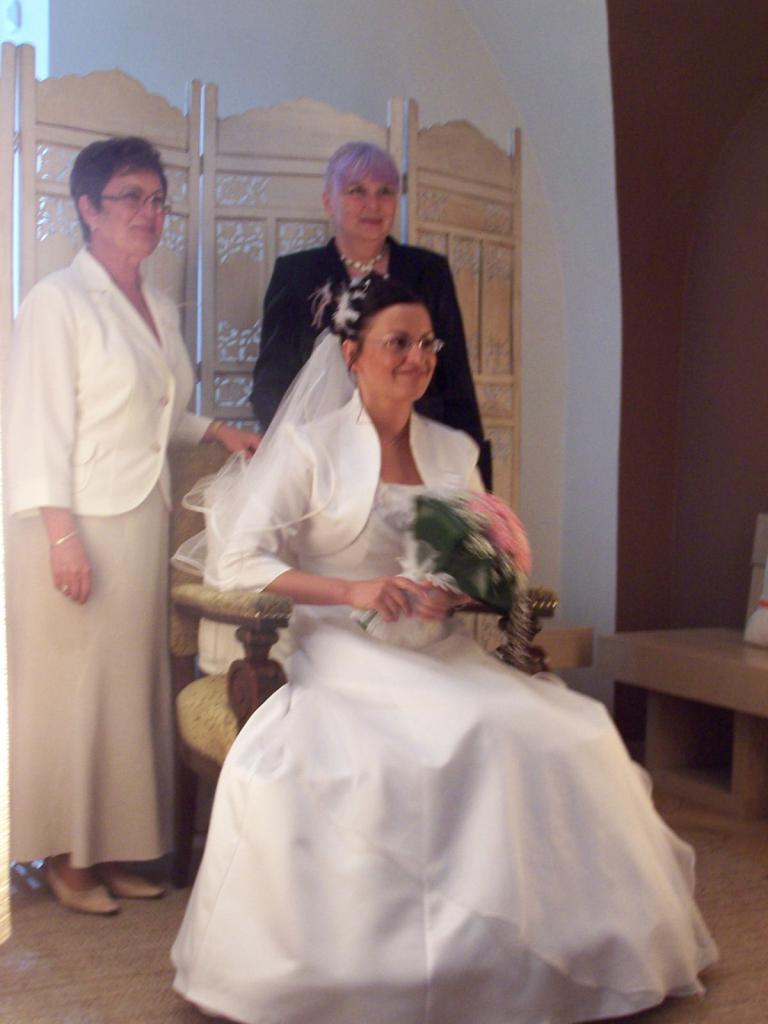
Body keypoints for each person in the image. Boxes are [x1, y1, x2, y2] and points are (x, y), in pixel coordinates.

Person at [171, 275, 716, 1024]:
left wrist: (456, 593)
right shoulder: (306, 449)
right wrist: (352, 591)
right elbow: (238, 561)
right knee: (449, 736)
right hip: (344, 648)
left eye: (427, 343)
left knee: (571, 732)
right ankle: (400, 970)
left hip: (440, 646)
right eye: (398, 342)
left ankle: (547, 957)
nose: (418, 357)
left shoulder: (454, 448)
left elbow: (475, 563)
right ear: (353, 354)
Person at [5, 136, 260, 916]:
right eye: (129, 197)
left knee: (121, 696)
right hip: (69, 524)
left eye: (156, 199)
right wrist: (62, 537)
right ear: (87, 209)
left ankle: (111, 850)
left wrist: (217, 430)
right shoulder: (56, 301)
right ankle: (62, 856)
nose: (149, 212)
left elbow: (156, 411)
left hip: (139, 518)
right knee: (69, 694)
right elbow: (36, 424)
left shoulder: (157, 302)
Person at [250, 140, 492, 487]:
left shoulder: (429, 271)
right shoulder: (296, 274)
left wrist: (478, 489)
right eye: (357, 191)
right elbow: (271, 382)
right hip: (326, 461)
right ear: (328, 201)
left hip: (418, 457)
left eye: (385, 192)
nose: (373, 204)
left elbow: (455, 380)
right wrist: (302, 454)